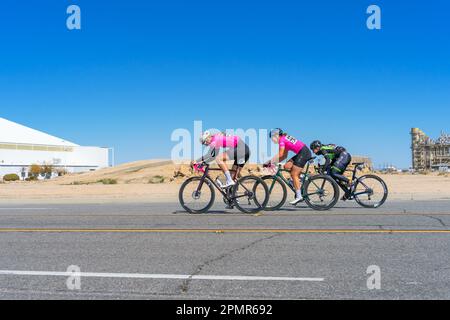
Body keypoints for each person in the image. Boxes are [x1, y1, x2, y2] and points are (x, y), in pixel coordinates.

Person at [265, 128, 312, 205]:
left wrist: (269, 162)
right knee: (286, 166)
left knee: (294, 174)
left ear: (276, 136)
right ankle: (301, 178)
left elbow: (280, 154)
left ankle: (299, 196)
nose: (272, 140)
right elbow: (283, 156)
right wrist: (273, 162)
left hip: (303, 153)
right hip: (302, 152)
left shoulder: (282, 140)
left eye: (272, 138)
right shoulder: (284, 139)